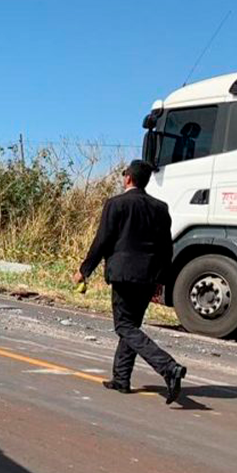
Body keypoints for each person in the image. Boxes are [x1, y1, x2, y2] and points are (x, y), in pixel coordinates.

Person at [73, 160, 186, 404]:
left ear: (128, 179)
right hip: (148, 277)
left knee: (124, 326)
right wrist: (161, 279)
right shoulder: (160, 207)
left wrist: (84, 270)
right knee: (131, 326)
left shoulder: (117, 204)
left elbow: (102, 240)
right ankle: (121, 378)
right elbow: (167, 248)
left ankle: (168, 367)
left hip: (124, 274)